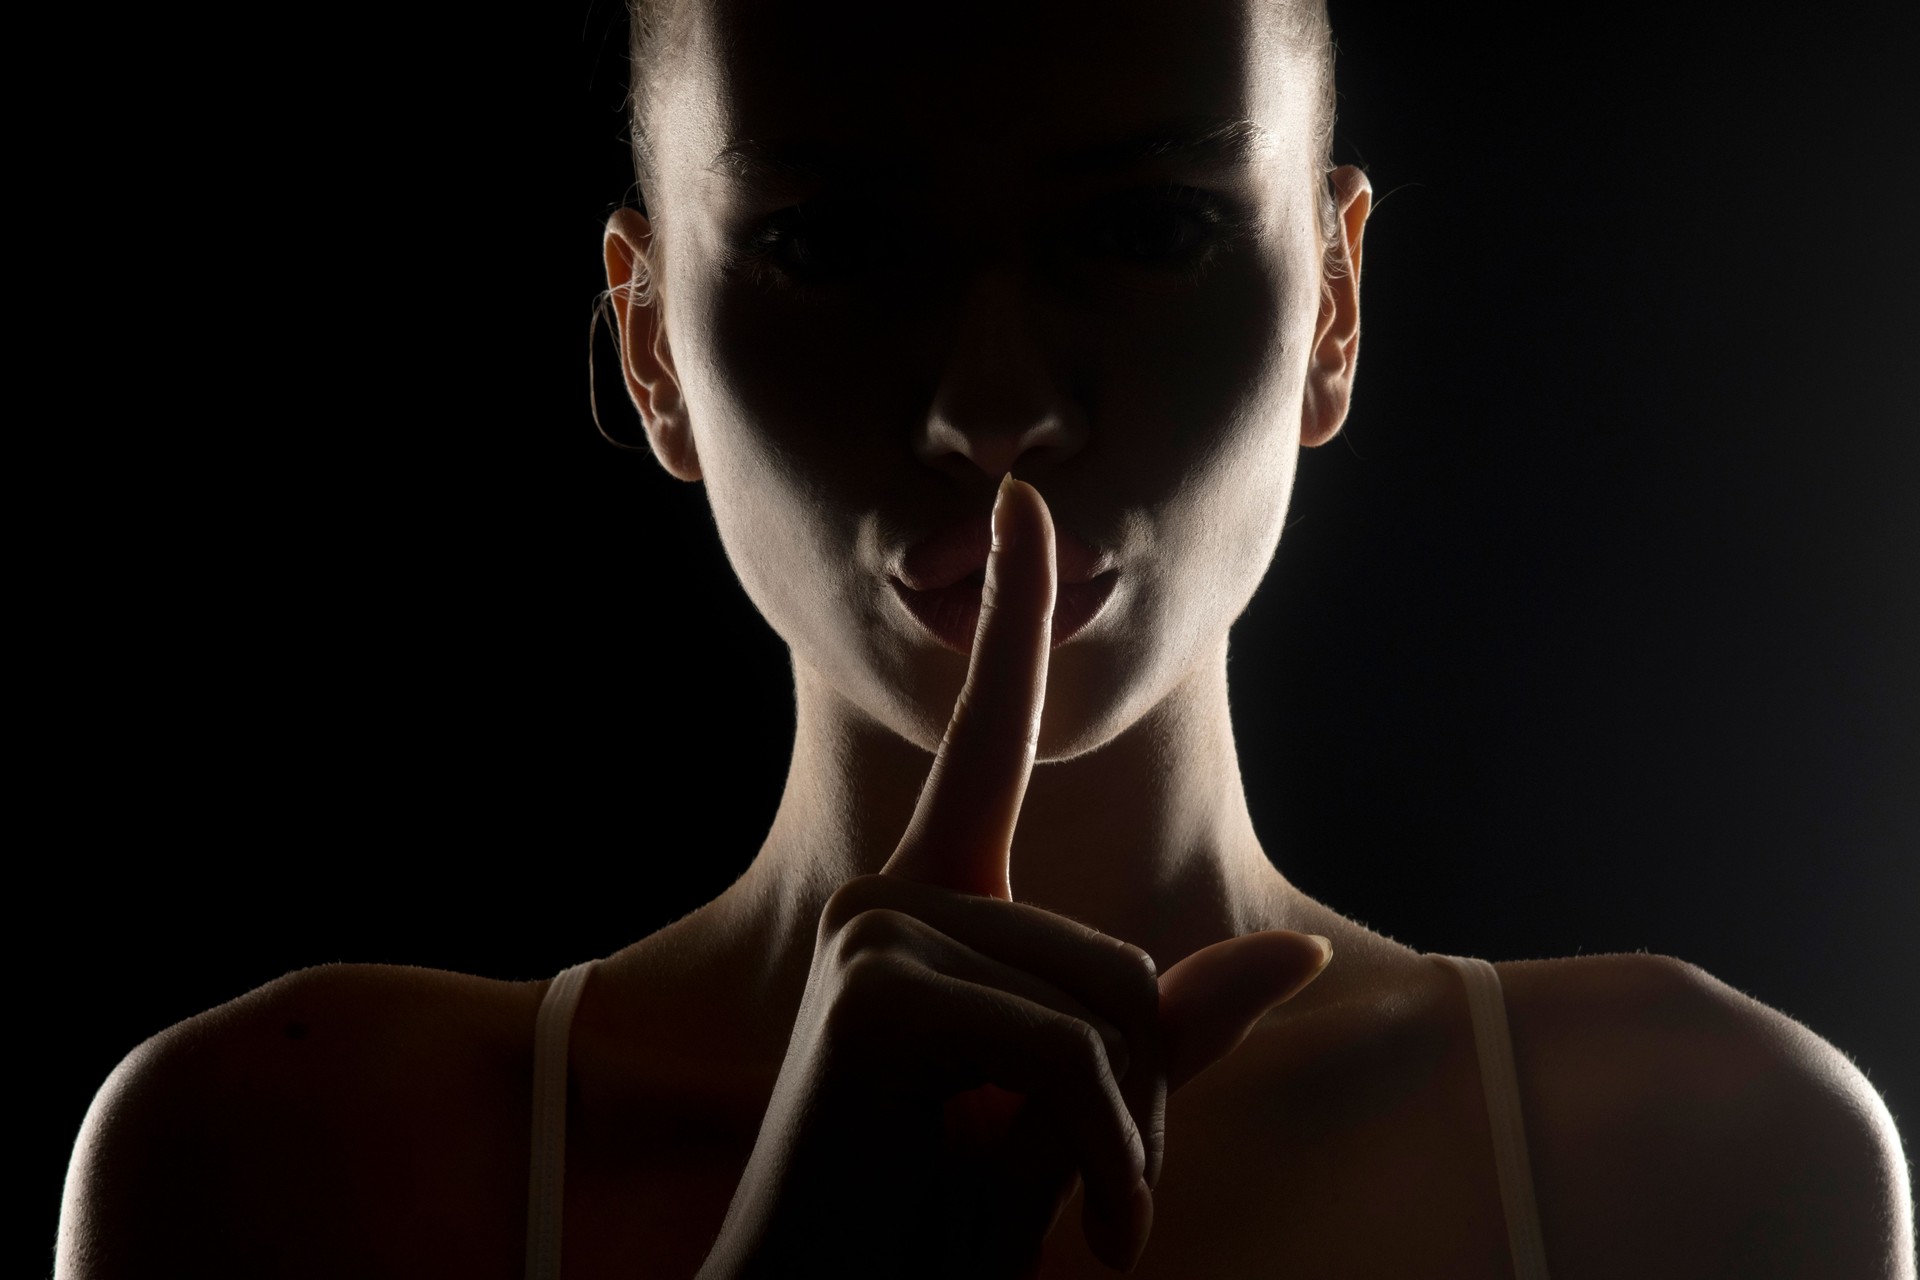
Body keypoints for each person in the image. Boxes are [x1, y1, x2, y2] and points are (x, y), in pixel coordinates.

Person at [56, 0, 1913, 1276]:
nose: (999, 405)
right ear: (649, 345)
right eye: (829, 243)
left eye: (1156, 224)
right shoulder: (286, 1173)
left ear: (1334, 299)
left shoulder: (1699, 1167)